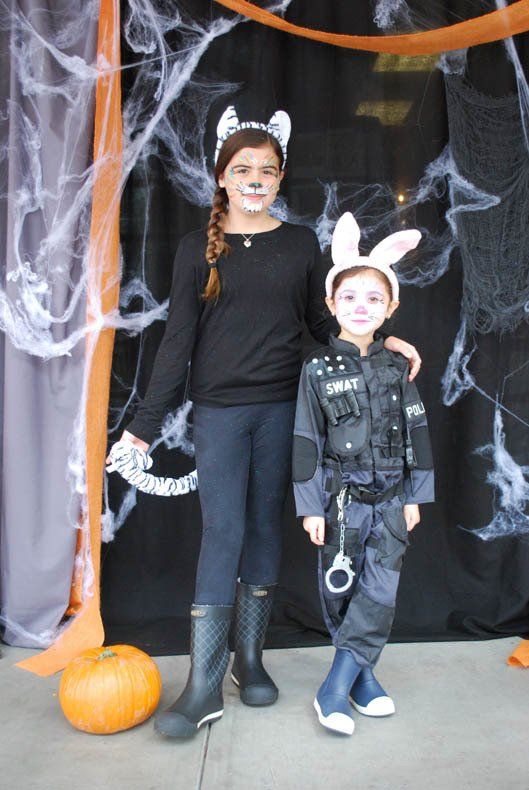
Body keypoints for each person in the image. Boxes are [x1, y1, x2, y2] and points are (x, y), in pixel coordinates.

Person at [108, 104, 423, 740]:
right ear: (222, 177)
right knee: (222, 531)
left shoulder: (301, 243)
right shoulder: (200, 248)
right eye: (243, 168)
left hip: (286, 411)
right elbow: (177, 343)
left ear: (281, 179)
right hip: (222, 413)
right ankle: (203, 682)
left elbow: (319, 328)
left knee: (262, 530)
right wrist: (142, 425)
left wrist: (377, 342)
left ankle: (249, 659)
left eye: (268, 170)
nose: (256, 178)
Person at [292, 212, 435, 736]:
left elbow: (417, 432)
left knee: (381, 592)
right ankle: (363, 678)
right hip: (338, 502)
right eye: (349, 297)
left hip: (393, 502)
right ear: (331, 304)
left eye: (374, 299)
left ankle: (333, 686)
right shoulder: (317, 370)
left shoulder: (399, 368)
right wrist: (310, 506)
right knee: (341, 590)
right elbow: (306, 440)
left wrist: (416, 495)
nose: (361, 307)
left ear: (391, 308)